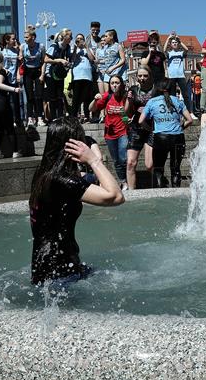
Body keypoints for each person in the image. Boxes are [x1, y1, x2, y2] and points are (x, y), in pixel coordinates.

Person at [29, 117, 124, 287]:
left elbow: (80, 181)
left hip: (46, 269)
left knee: (119, 276)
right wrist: (94, 160)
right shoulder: (62, 181)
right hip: (59, 275)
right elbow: (116, 196)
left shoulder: (44, 173)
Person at [139, 78, 193, 188]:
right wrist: (180, 127)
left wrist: (149, 129)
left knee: (158, 169)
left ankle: (160, 192)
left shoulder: (152, 102)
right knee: (176, 168)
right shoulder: (177, 100)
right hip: (177, 137)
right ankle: (176, 192)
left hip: (160, 137)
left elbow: (140, 121)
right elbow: (190, 120)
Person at [90, 74, 130, 189]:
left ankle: (127, 179)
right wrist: (95, 99)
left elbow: (125, 116)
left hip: (123, 132)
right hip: (109, 134)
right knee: (116, 160)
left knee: (123, 158)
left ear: (121, 84)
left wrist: (127, 120)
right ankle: (123, 181)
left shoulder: (125, 97)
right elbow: (92, 109)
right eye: (112, 83)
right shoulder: (107, 96)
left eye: (117, 83)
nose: (114, 85)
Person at [126, 67, 155, 190]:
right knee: (130, 162)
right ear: (136, 77)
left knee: (149, 165)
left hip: (151, 128)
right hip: (136, 128)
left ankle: (156, 188)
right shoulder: (133, 90)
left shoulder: (156, 90)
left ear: (150, 76)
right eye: (140, 76)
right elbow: (125, 112)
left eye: (145, 76)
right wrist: (128, 100)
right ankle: (131, 193)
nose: (142, 79)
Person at [44, 29, 73, 121]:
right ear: (64, 37)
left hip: (60, 74)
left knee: (60, 96)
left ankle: (60, 117)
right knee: (52, 97)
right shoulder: (54, 46)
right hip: (50, 74)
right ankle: (53, 118)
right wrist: (59, 60)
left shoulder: (68, 47)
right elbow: (46, 59)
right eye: (70, 36)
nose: (71, 38)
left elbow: (70, 58)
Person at [20, 29, 46, 127]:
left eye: (27, 37)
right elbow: (20, 58)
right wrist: (20, 57)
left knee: (39, 95)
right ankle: (30, 118)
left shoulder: (41, 46)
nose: (25, 39)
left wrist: (42, 74)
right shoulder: (23, 46)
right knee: (29, 96)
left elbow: (44, 61)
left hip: (37, 71)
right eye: (24, 37)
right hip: (27, 72)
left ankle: (40, 117)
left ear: (33, 37)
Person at [69, 33, 97, 122]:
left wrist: (86, 47)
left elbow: (92, 59)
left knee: (87, 98)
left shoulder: (87, 49)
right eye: (78, 39)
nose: (79, 40)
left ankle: (87, 115)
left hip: (87, 76)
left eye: (81, 38)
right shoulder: (74, 49)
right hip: (77, 77)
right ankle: (73, 116)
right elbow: (72, 59)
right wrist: (76, 47)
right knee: (76, 98)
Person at [0, 33, 22, 125]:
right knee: (5, 100)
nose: (14, 40)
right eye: (13, 39)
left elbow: (19, 64)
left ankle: (17, 120)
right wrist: (2, 69)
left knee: (15, 101)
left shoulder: (16, 51)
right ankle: (6, 120)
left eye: (15, 39)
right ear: (7, 40)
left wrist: (18, 74)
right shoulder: (0, 50)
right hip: (3, 78)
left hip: (13, 78)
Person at [163, 32, 191, 112]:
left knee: (185, 94)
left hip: (181, 76)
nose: (174, 44)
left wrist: (179, 40)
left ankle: (189, 111)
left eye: (176, 43)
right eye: (173, 43)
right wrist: (169, 38)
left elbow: (186, 49)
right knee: (172, 95)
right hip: (172, 76)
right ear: (171, 44)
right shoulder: (169, 53)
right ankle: (173, 110)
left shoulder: (181, 53)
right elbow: (164, 49)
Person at [95, 29, 126, 95]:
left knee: (117, 93)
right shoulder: (105, 47)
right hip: (107, 73)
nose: (104, 38)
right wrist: (98, 62)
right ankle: (108, 105)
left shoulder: (118, 46)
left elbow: (123, 60)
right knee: (107, 94)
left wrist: (113, 68)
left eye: (106, 36)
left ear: (111, 37)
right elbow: (107, 60)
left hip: (116, 73)